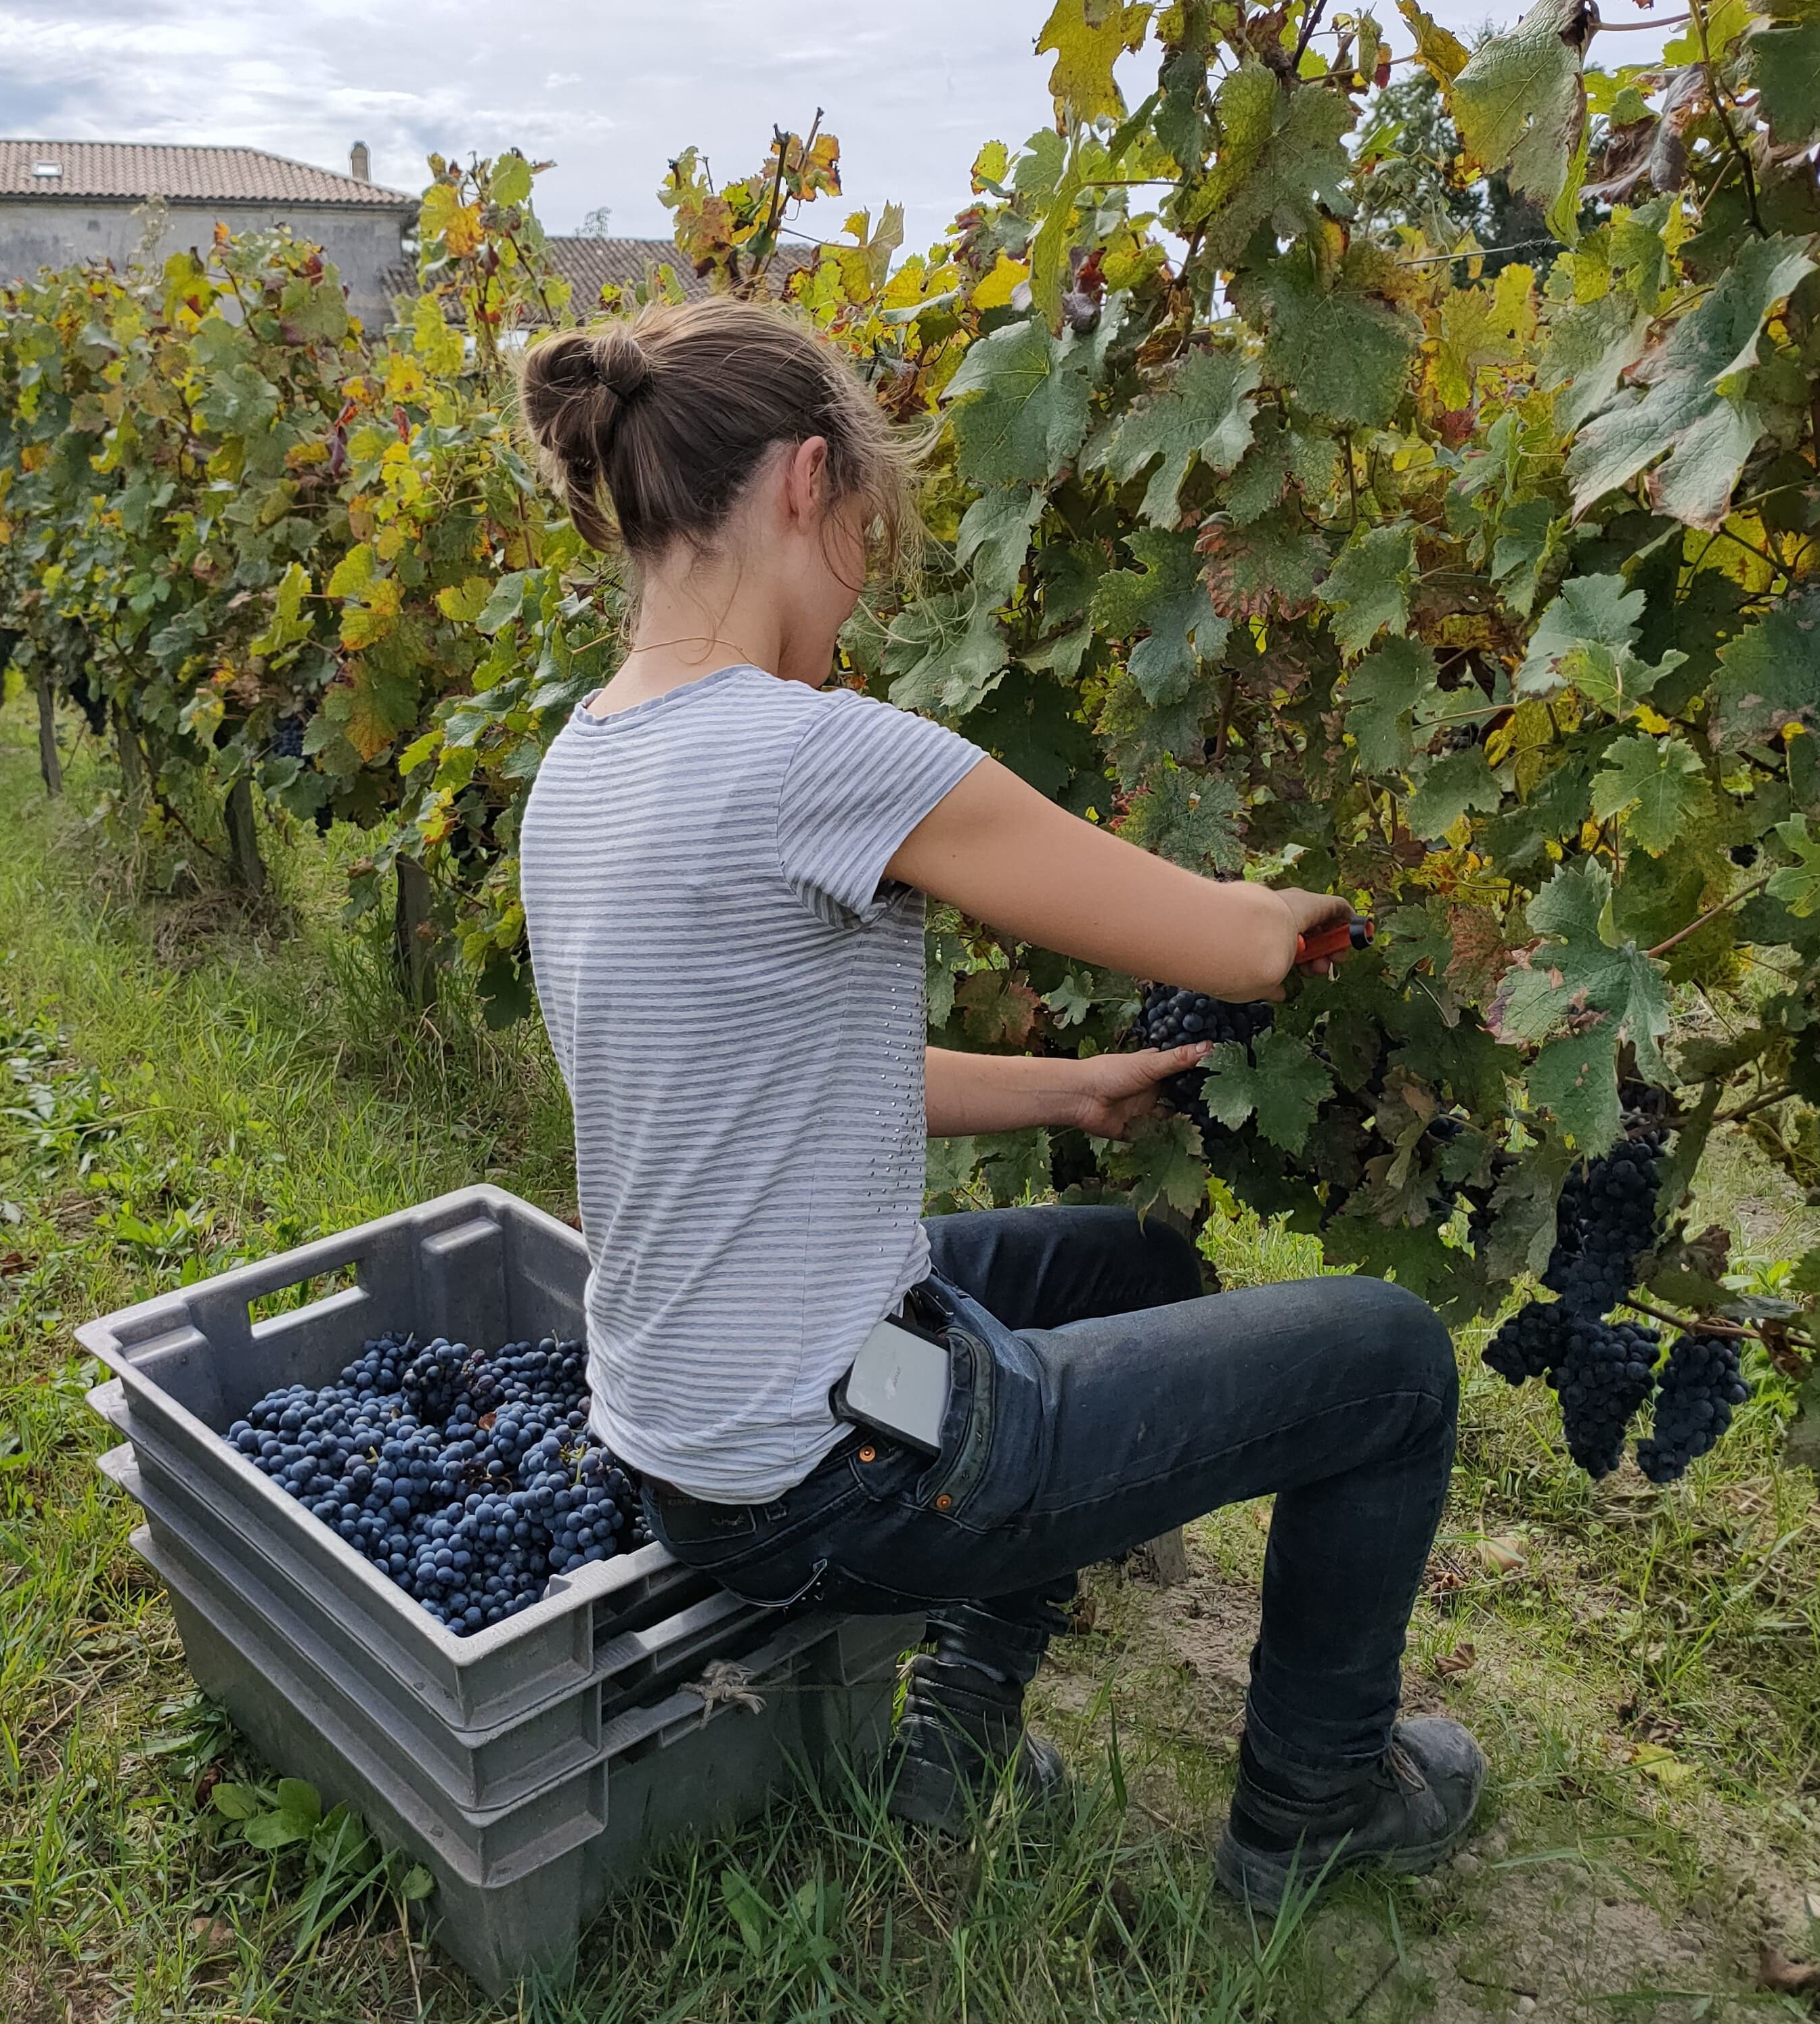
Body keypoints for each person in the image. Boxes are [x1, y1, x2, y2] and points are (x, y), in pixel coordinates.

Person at [514, 297, 1483, 1909]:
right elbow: (1233, 945)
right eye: (867, 541)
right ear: (806, 481)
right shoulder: (811, 749)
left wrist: (1070, 1082)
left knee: (1125, 1266)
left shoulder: (583, 762)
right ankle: (1314, 1799)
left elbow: (766, 1075)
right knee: (1388, 1358)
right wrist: (1336, 911)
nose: (861, 594)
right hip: (845, 1463)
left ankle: (951, 1738)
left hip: (703, 1441)